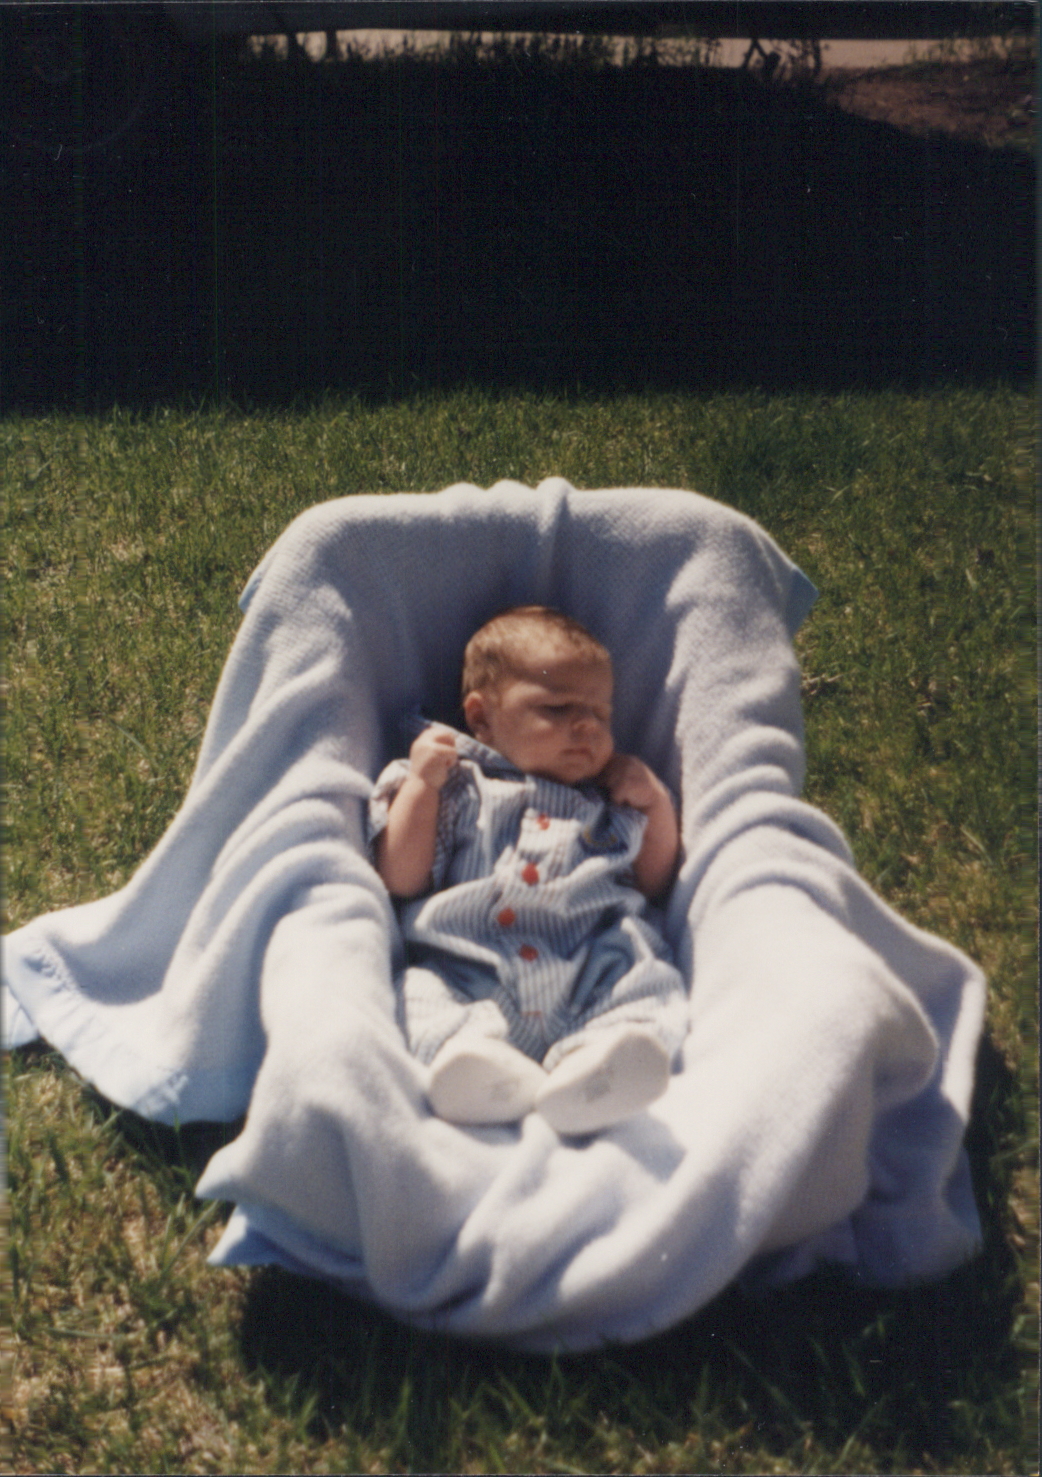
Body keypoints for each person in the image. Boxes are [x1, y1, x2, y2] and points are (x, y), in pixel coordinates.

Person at [368, 606, 689, 1134]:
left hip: (591, 974)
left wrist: (655, 804)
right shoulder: (455, 786)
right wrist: (422, 787)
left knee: (651, 986)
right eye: (558, 708)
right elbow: (401, 878)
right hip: (471, 977)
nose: (587, 726)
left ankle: (594, 1068)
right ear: (481, 718)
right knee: (416, 996)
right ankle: (480, 1069)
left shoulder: (606, 801)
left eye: (601, 715)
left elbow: (654, 883)